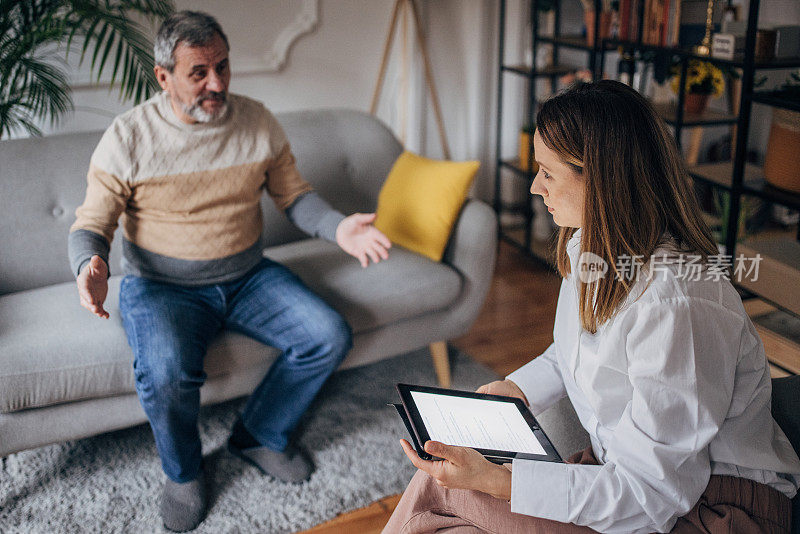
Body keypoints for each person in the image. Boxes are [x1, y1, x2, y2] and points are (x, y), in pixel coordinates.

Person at [383, 80, 800, 534]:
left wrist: (501, 482)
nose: (535, 188)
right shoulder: (591, 250)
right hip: (625, 478)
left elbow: (653, 496)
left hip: (711, 510)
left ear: (600, 181)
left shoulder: (676, 304)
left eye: (548, 173)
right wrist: (515, 389)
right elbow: (572, 353)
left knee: (445, 491)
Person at [68, 11, 391, 532]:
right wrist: (91, 263)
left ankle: (258, 435)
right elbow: (92, 223)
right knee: (167, 371)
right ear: (163, 77)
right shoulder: (128, 137)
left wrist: (338, 229)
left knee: (327, 334)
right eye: (199, 72)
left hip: (247, 277)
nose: (216, 83)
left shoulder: (258, 121)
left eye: (222, 66)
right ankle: (183, 473)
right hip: (161, 287)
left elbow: (295, 196)